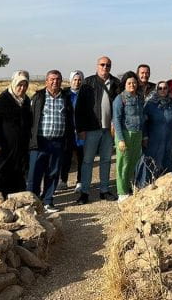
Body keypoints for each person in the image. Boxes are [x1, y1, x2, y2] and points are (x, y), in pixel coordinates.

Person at [75, 56, 120, 203]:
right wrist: (80, 129)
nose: (105, 67)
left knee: (106, 160)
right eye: (102, 64)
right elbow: (79, 108)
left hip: (109, 130)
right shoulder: (88, 82)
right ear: (97, 65)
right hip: (91, 129)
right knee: (88, 161)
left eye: (108, 65)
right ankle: (85, 192)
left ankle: (104, 190)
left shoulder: (115, 83)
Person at [27, 70, 73, 212]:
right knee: (35, 173)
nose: (55, 82)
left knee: (53, 173)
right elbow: (30, 119)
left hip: (57, 142)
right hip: (39, 142)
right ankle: (32, 203)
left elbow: (70, 120)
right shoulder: (38, 97)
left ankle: (48, 201)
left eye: (58, 79)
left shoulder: (65, 98)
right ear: (46, 81)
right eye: (52, 79)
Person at [0, 70, 32, 197]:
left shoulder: (25, 101)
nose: (22, 88)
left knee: (16, 178)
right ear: (14, 84)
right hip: (3, 147)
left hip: (19, 149)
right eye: (19, 85)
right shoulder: (4, 99)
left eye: (25, 85)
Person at [112, 71, 145, 199]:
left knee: (134, 163)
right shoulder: (120, 99)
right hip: (125, 134)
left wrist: (144, 135)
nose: (132, 85)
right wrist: (120, 139)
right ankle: (121, 192)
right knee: (123, 164)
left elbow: (142, 117)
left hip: (137, 134)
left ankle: (130, 187)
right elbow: (117, 119)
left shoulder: (139, 98)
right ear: (124, 84)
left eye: (134, 83)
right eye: (129, 83)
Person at [143, 80, 172, 177]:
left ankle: (168, 184)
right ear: (156, 90)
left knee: (167, 159)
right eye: (160, 88)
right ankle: (149, 183)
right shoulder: (150, 104)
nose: (162, 90)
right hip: (154, 138)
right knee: (153, 160)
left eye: (165, 88)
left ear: (168, 90)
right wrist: (145, 136)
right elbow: (144, 122)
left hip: (168, 137)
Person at [60, 71, 85, 192]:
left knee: (81, 157)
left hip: (81, 131)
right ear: (70, 81)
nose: (77, 82)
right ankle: (63, 180)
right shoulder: (64, 94)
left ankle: (80, 181)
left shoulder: (85, 94)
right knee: (66, 156)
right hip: (67, 131)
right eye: (75, 80)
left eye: (79, 80)